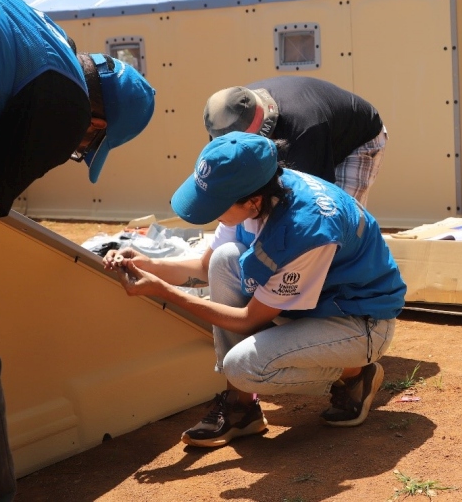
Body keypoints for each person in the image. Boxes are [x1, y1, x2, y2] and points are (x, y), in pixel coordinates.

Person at [0, 0, 156, 502]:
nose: (77, 149)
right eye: (86, 147)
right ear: (95, 123)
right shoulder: (63, 103)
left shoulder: (30, 30)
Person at [105, 133, 406, 448]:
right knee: (223, 259)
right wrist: (147, 264)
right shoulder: (256, 186)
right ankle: (242, 407)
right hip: (314, 306)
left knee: (243, 368)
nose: (210, 214)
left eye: (216, 206)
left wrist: (162, 290)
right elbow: (204, 268)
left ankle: (356, 373)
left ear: (252, 201)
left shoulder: (306, 230)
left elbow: (248, 319)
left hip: (359, 322)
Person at [204, 76, 386, 206]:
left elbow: (317, 196)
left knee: (339, 213)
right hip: (310, 131)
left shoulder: (304, 127)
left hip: (357, 141)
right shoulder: (224, 116)